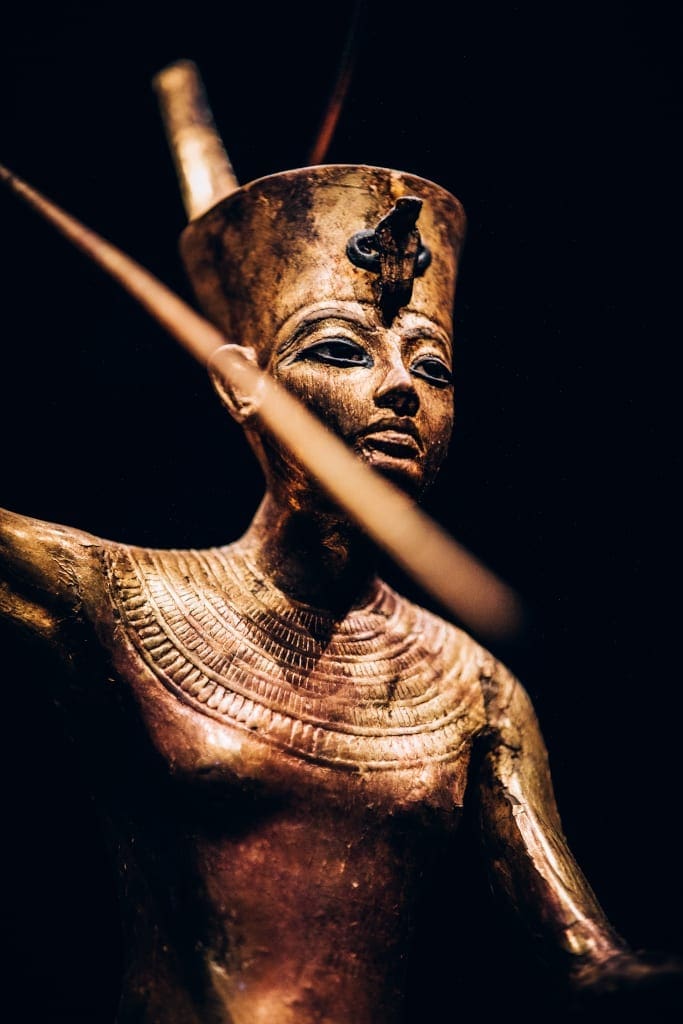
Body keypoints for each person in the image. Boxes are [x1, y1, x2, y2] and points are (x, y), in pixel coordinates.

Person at [1, 61, 681, 1024]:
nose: (401, 388)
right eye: (339, 351)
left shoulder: (474, 688)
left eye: (432, 367)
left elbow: (587, 962)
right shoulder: (109, 597)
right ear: (241, 386)